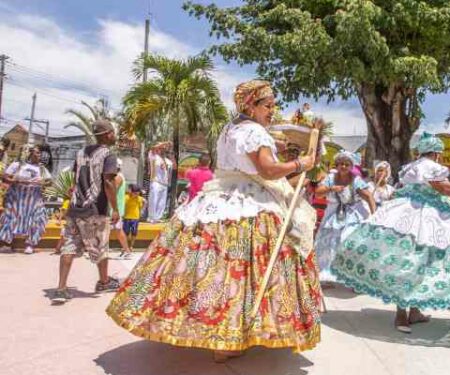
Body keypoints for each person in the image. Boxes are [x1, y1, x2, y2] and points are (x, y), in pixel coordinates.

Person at [106, 80, 322, 362]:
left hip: (217, 200)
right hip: (249, 203)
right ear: (251, 106)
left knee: (218, 272)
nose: (272, 110)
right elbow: (268, 170)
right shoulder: (254, 131)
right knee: (243, 273)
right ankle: (229, 341)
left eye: (272, 105)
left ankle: (216, 336)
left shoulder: (229, 129)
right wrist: (301, 164)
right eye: (267, 105)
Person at [331, 133, 450, 333]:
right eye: (440, 154)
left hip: (410, 214)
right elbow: (444, 188)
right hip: (421, 218)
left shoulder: (413, 166)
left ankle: (415, 312)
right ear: (436, 154)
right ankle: (401, 315)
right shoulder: (429, 166)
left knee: (418, 262)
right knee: (411, 261)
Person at [52, 120, 121, 303]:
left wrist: (74, 194)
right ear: (107, 134)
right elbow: (108, 183)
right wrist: (115, 208)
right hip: (94, 209)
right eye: (113, 132)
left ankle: (61, 288)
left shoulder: (80, 153)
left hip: (75, 209)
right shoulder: (108, 155)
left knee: (69, 246)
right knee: (101, 247)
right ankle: (104, 282)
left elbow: (74, 181)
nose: (114, 135)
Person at [314, 151, 376, 283]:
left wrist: (375, 215)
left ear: (351, 166)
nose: (343, 166)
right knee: (328, 243)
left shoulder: (356, 180)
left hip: (353, 214)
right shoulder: (330, 178)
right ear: (337, 165)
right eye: (341, 164)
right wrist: (331, 189)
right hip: (332, 214)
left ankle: (354, 276)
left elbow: (369, 196)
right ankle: (327, 274)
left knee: (351, 241)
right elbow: (318, 193)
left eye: (347, 164)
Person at [0, 145, 52, 254]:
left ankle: (30, 244)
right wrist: (17, 181)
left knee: (37, 219)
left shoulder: (42, 169)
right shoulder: (18, 165)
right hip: (16, 197)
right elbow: (5, 176)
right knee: (11, 218)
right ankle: (6, 244)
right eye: (37, 153)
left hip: (34, 198)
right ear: (30, 153)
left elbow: (50, 181)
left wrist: (42, 182)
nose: (39, 155)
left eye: (40, 153)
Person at [147, 144, 172, 222]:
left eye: (165, 148)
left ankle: (158, 217)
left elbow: (173, 167)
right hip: (156, 181)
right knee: (153, 199)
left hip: (164, 183)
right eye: (161, 148)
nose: (163, 149)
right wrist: (164, 143)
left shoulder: (167, 160)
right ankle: (151, 217)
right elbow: (153, 147)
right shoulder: (153, 156)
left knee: (162, 202)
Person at [114, 159, 132, 258]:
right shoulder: (119, 176)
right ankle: (127, 251)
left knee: (118, 230)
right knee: (117, 230)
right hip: (115, 208)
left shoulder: (118, 178)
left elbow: (112, 191)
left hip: (115, 209)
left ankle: (127, 251)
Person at [122, 184, 145, 254]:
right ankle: (124, 247)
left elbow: (143, 203)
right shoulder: (126, 197)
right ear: (131, 192)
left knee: (134, 233)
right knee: (125, 233)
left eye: (138, 193)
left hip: (135, 218)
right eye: (135, 193)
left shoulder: (139, 198)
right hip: (127, 217)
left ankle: (131, 246)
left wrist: (142, 211)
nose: (136, 195)